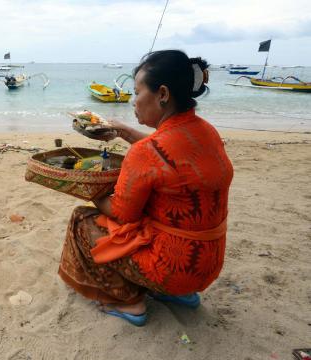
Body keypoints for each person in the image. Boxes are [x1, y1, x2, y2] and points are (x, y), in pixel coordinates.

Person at [58, 50, 233, 326]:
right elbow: (167, 151)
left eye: (137, 92)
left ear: (162, 94)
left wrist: (89, 190)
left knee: (83, 219)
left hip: (172, 269)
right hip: (208, 264)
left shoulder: (145, 152)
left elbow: (122, 213)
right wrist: (123, 132)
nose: (132, 101)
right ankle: (180, 294)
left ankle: (129, 303)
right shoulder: (207, 132)